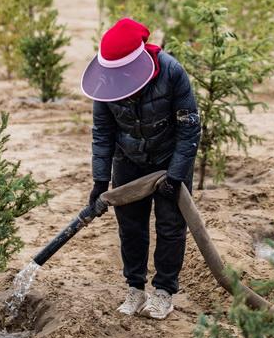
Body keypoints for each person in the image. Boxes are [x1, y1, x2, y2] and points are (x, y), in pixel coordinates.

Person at [81, 17, 201, 320]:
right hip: (129, 160)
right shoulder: (104, 80)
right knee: (131, 226)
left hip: (170, 158)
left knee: (171, 226)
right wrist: (100, 180)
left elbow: (189, 130)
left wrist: (175, 174)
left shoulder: (171, 73)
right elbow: (103, 132)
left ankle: (164, 292)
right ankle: (135, 289)